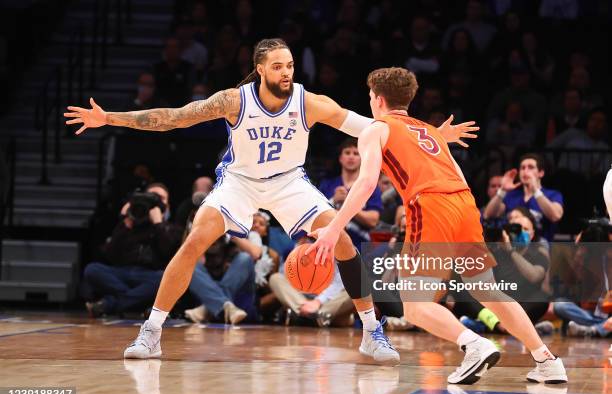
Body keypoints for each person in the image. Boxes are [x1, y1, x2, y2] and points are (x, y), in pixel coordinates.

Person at [66, 39, 470, 364]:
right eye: (278, 66)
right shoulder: (234, 101)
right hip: (239, 182)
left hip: (289, 183)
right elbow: (175, 116)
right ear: (260, 68)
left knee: (343, 242)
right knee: (194, 240)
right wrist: (111, 118)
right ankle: (152, 331)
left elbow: (377, 127)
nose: (286, 72)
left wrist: (431, 134)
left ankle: (371, 332)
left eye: (290, 65)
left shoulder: (309, 102)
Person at [308, 67, 567, 384]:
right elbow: (456, 175)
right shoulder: (428, 131)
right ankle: (547, 360)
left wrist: (334, 227)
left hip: (431, 207)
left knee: (415, 306)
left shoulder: (375, 129)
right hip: (465, 205)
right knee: (487, 290)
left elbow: (365, 183)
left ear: (376, 99)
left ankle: (474, 345)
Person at [84, 183, 183, 317]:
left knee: (164, 279)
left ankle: (109, 305)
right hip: (123, 273)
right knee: (92, 269)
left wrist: (158, 224)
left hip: (151, 275)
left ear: (168, 205)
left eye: (160, 198)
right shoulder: (130, 224)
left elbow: (169, 253)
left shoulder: (173, 228)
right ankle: (140, 304)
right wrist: (124, 223)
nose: (155, 201)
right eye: (151, 196)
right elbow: (110, 254)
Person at [483, 153, 564, 242]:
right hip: (511, 246)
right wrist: (502, 191)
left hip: (540, 248)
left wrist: (535, 191)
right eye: (522, 168)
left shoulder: (552, 194)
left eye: (530, 167)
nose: (525, 171)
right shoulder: (512, 195)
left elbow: (556, 215)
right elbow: (488, 214)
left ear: (541, 173)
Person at [319, 138, 383, 248]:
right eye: (347, 152)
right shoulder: (326, 185)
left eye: (356, 153)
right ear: (340, 158)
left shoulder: (370, 185)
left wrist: (349, 204)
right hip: (329, 244)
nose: (351, 156)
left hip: (361, 245)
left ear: (362, 159)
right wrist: (333, 201)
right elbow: (315, 214)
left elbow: (373, 220)